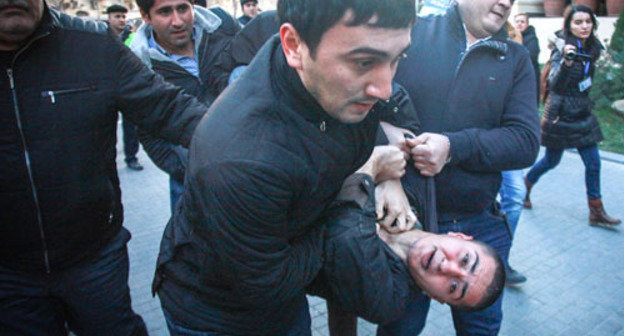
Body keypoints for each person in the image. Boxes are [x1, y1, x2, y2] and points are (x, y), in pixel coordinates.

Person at [152, 0, 416, 335]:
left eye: (397, 59)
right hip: (218, 314)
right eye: (364, 62)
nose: (384, 88)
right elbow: (268, 284)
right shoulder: (241, 161)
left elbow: (396, 109)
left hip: (282, 296)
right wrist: (363, 182)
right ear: (294, 46)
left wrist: (388, 177)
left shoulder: (333, 77)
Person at [0, 0, 208, 334]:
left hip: (95, 259)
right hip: (9, 276)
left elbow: (168, 108)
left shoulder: (92, 44)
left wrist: (242, 140)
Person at [379, 0, 540, 334]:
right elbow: (364, 98)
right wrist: (382, 137)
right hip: (407, 224)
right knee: (399, 328)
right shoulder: (413, 33)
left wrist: (453, 146)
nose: (506, 2)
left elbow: (525, 141)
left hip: (479, 227)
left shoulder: (516, 58)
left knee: (482, 329)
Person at [312, 145, 505, 336]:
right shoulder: (424, 193)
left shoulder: (386, 300)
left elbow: (346, 233)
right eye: (464, 260)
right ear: (458, 236)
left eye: (453, 287)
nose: (448, 268)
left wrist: (376, 166)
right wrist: (391, 177)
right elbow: (397, 129)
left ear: (435, 297)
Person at [130, 0, 239, 211]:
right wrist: (186, 170)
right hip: (193, 183)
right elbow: (147, 132)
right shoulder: (138, 67)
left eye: (182, 8)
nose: (178, 21)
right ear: (145, 16)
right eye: (164, 12)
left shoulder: (221, 25)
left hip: (253, 162)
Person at [524, 5, 620, 227]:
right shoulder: (564, 49)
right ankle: (525, 186)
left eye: (587, 21)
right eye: (578, 22)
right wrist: (567, 63)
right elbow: (555, 83)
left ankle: (596, 211)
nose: (584, 26)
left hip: (582, 113)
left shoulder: (592, 47)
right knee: (551, 160)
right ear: (569, 25)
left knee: (594, 163)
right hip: (561, 115)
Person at [106, 4, 144, 171]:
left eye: (123, 17)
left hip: (128, 88)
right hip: (106, 89)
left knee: (131, 127)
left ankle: (131, 157)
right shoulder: (100, 37)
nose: (121, 20)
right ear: (109, 18)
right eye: (117, 16)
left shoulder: (132, 37)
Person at [514, 13, 540, 106]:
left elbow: (531, 57)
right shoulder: (512, 37)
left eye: (522, 22)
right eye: (517, 22)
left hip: (529, 76)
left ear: (527, 24)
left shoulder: (531, 38)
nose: (519, 24)